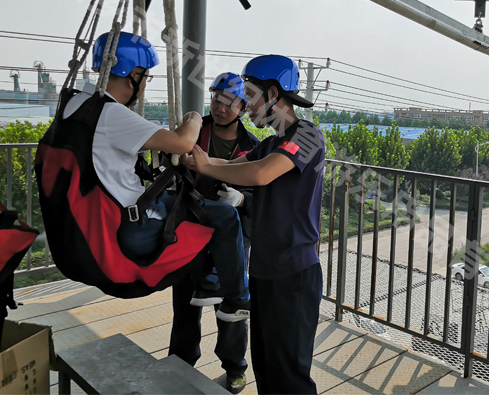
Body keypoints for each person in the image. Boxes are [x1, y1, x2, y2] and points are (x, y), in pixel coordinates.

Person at [64, 31, 250, 321]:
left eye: (230, 102)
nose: (221, 107)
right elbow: (182, 143)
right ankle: (237, 299)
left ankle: (209, 284)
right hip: (132, 223)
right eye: (146, 77)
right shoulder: (110, 113)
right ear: (133, 76)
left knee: (193, 208)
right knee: (222, 217)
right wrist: (193, 119)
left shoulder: (75, 104)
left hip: (103, 215)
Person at [185, 55, 325, 394]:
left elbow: (260, 173)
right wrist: (188, 155)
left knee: (289, 374)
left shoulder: (306, 135)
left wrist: (206, 167)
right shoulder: (269, 143)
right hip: (263, 270)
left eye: (249, 95)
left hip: (293, 273)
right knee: (266, 367)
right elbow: (230, 163)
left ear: (274, 94)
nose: (244, 106)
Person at [169, 72, 259, 394]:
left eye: (228, 102)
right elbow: (172, 161)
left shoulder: (253, 147)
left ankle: (235, 367)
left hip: (232, 236)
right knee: (185, 300)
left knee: (232, 307)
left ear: (242, 107)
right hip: (190, 226)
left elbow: (261, 190)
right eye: (216, 99)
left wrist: (242, 198)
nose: (220, 107)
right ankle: (180, 361)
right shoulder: (193, 132)